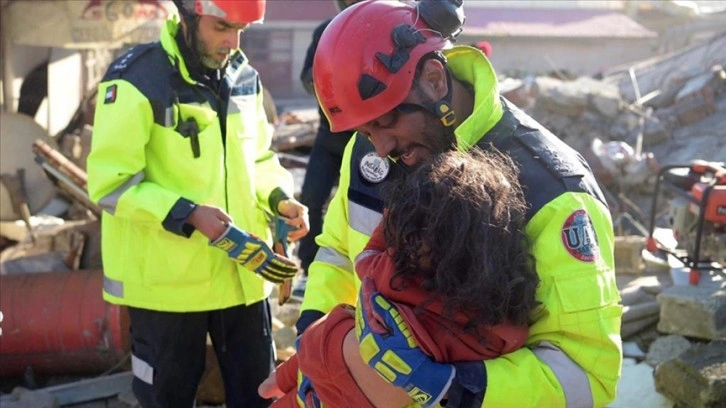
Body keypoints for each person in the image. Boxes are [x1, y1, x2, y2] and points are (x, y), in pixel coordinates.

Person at [295, 0, 623, 407]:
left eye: (385, 122)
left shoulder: (554, 192)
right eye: (364, 131)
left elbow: (586, 375)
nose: (379, 147)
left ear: (434, 80)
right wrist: (314, 344)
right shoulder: (369, 154)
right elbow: (338, 255)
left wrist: (456, 388)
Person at [86, 1, 309, 407]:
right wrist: (187, 213)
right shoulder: (136, 80)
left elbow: (259, 159)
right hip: (167, 290)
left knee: (261, 398)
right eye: (222, 27)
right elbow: (110, 185)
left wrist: (281, 198)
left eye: (241, 30)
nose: (233, 42)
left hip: (242, 280)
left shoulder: (244, 77)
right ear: (188, 14)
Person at [260, 150, 539, 407]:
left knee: (275, 388)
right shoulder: (498, 325)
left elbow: (366, 258)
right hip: (360, 392)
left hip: (323, 354)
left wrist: (393, 216)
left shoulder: (395, 273)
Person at [293, 0, 362, 300]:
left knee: (362, 208)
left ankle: (360, 278)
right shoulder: (325, 31)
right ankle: (310, 270)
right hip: (329, 136)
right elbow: (307, 76)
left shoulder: (379, 30)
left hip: (364, 138)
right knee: (311, 198)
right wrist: (325, 77)